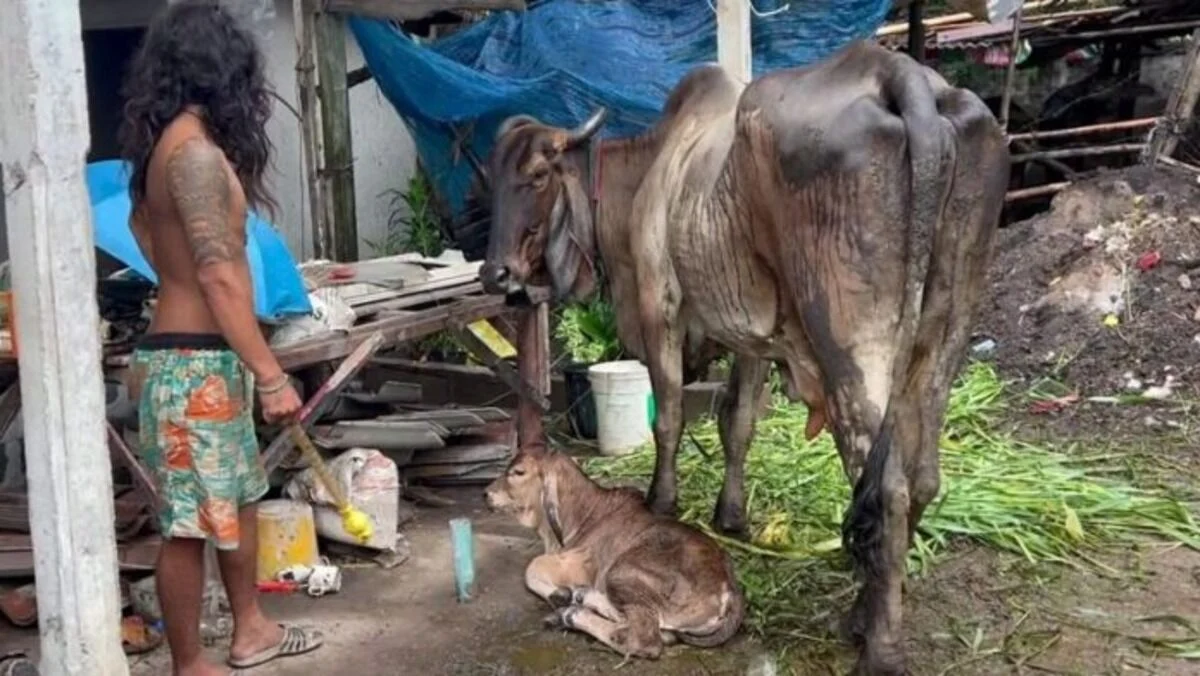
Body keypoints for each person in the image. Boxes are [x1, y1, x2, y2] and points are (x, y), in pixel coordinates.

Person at [118, 2, 323, 674]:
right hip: (191, 365)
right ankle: (190, 664)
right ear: (221, 70)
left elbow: (165, 250)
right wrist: (269, 373)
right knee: (189, 526)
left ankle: (252, 628)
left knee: (239, 498)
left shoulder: (164, 150)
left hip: (203, 358)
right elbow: (218, 277)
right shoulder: (196, 157)